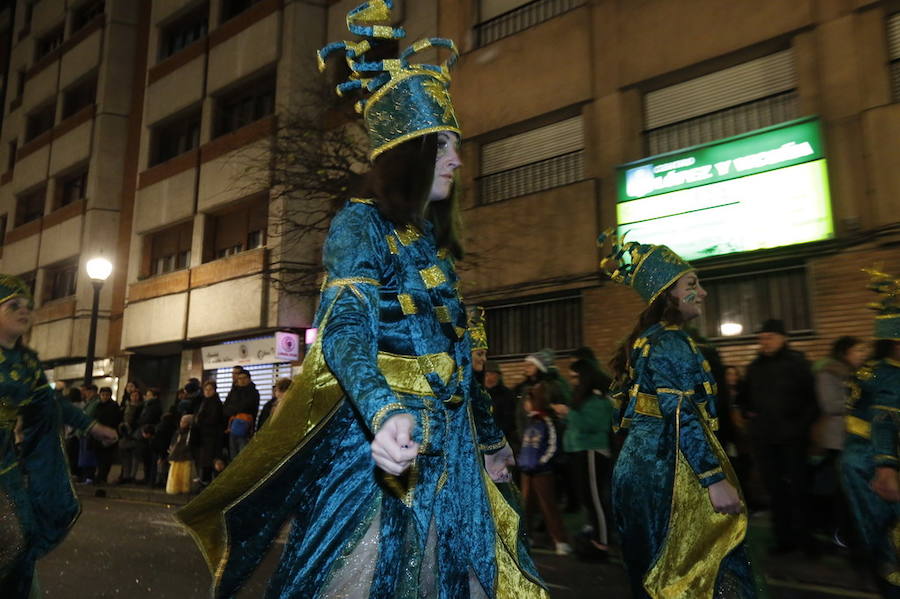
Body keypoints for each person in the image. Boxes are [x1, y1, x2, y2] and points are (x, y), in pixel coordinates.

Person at [177, 6, 548, 597]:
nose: (456, 159)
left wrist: (492, 441)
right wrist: (381, 411)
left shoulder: (432, 244)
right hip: (383, 452)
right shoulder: (359, 226)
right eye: (444, 145)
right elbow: (345, 331)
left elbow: (455, 358)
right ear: (410, 150)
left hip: (452, 458)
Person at [601, 232, 756, 598]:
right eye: (692, 284)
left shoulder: (648, 340)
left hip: (641, 467)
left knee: (652, 569)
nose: (702, 292)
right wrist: (713, 478)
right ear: (669, 293)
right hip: (666, 469)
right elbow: (680, 413)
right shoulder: (670, 341)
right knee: (691, 571)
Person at [0, 275, 117, 597]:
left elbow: (51, 403)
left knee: (19, 536)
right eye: (13, 305)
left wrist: (91, 426)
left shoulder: (25, 363)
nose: (24, 311)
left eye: (27, 306)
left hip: (6, 468)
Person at [841, 268, 900, 598]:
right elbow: (879, 423)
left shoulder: (877, 372)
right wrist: (885, 466)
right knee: (887, 543)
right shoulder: (879, 376)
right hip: (871, 467)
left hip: (872, 463)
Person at [740, 318, 819, 555]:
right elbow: (744, 399)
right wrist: (750, 417)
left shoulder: (798, 363)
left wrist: (800, 428)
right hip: (765, 441)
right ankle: (784, 540)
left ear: (783, 338)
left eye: (769, 337)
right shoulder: (754, 367)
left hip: (793, 440)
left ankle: (806, 540)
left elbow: (813, 401)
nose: (765, 342)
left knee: (799, 490)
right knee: (775, 491)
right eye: (761, 338)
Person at [554, 357, 613, 560]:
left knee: (596, 499)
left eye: (575, 377)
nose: (572, 381)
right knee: (588, 498)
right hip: (582, 450)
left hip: (592, 451)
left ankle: (602, 543)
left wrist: (568, 413)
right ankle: (596, 536)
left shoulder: (596, 398)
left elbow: (593, 423)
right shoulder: (584, 396)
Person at [812, 336, 867, 543]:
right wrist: (860, 403)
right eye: (858, 350)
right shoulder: (829, 373)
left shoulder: (860, 373)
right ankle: (840, 531)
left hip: (856, 437)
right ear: (845, 352)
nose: (863, 355)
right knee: (842, 489)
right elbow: (831, 405)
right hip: (838, 439)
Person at [518, 383, 571, 555]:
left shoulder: (547, 421)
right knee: (526, 506)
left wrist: (541, 462)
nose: (525, 404)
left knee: (548, 506)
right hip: (527, 471)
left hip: (542, 471)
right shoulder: (531, 420)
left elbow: (553, 445)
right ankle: (527, 538)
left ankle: (560, 541)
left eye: (528, 400)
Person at [190, 380, 225, 486]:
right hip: (204, 435)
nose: (208, 391)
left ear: (214, 390)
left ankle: (209, 482)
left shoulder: (216, 403)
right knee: (205, 459)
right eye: (206, 389)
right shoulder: (204, 401)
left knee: (211, 460)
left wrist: (200, 421)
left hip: (212, 435)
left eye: (210, 389)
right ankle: (204, 480)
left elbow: (213, 419)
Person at [223, 369, 260, 459]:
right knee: (233, 456)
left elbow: (246, 406)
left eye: (244, 378)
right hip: (232, 428)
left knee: (243, 456)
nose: (242, 380)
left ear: (249, 379)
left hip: (245, 428)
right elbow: (225, 408)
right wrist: (236, 410)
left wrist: (235, 409)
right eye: (239, 378)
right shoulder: (233, 392)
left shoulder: (253, 392)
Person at [484, 361, 518, 452]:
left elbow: (509, 420)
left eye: (492, 374)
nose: (488, 378)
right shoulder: (480, 394)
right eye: (486, 374)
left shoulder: (507, 395)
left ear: (498, 376)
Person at [93, 386, 122, 484]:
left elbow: (116, 420)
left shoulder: (113, 406)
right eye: (103, 395)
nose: (104, 397)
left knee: (106, 457)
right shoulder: (97, 405)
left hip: (109, 434)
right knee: (99, 457)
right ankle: (99, 476)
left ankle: (102, 476)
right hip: (98, 434)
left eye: (107, 395)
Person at [136, 387, 162, 484]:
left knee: (150, 458)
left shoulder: (154, 406)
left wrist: (141, 423)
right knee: (146, 457)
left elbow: (148, 419)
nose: (146, 397)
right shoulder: (147, 405)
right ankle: (147, 477)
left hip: (149, 433)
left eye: (149, 395)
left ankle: (150, 479)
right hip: (145, 432)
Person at [117, 387, 143, 484]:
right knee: (125, 455)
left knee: (135, 456)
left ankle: (132, 476)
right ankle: (126, 475)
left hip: (135, 433)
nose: (134, 397)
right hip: (125, 433)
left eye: (136, 396)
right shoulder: (127, 406)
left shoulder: (141, 407)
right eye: (132, 395)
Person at [167, 414, 194, 495]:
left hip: (184, 456)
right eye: (181, 421)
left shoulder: (189, 433)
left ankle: (183, 488)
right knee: (175, 474)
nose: (181, 423)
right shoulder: (178, 432)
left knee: (184, 474)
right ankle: (175, 488)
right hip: (176, 456)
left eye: (184, 422)